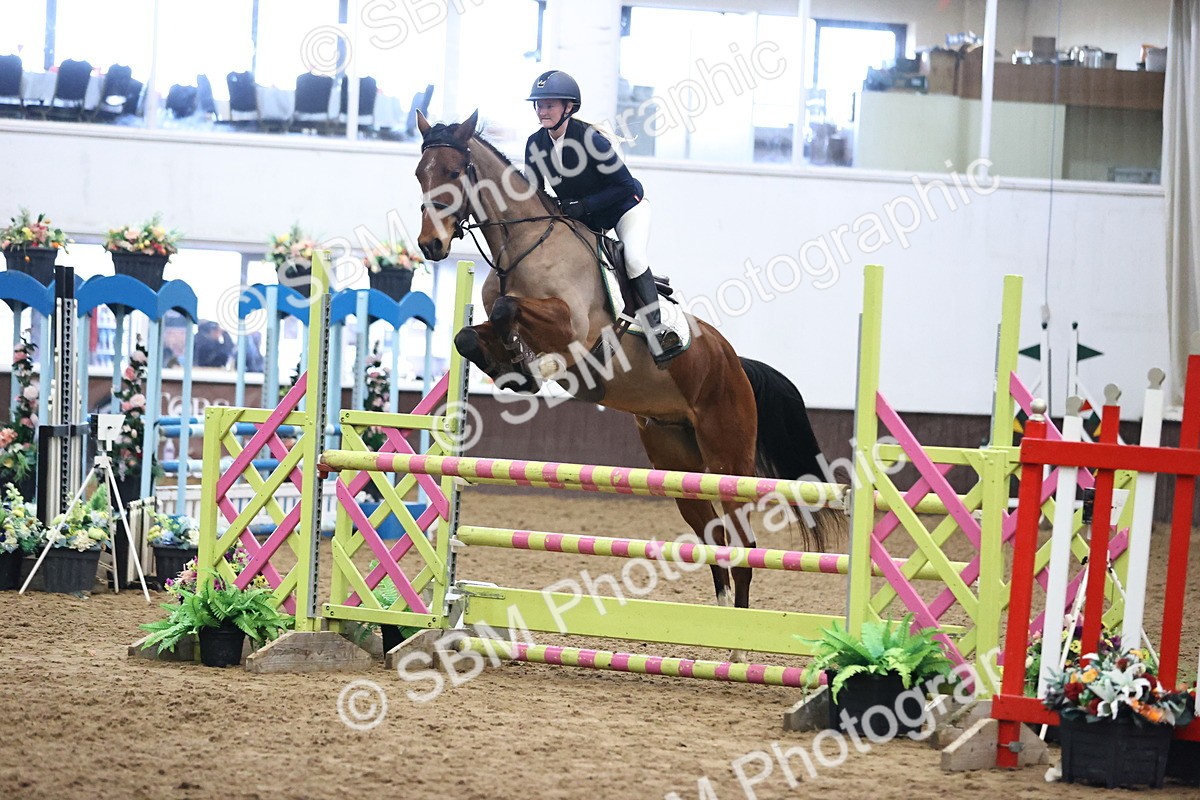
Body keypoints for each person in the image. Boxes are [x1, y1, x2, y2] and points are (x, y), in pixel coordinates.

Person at [523, 69, 683, 366]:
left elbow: (624, 185)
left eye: (549, 104)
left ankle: (657, 332)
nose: (542, 110)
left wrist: (582, 206)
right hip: (586, 219)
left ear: (568, 108)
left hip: (625, 208)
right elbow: (534, 193)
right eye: (539, 104)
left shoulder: (591, 140)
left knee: (634, 258)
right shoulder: (535, 144)